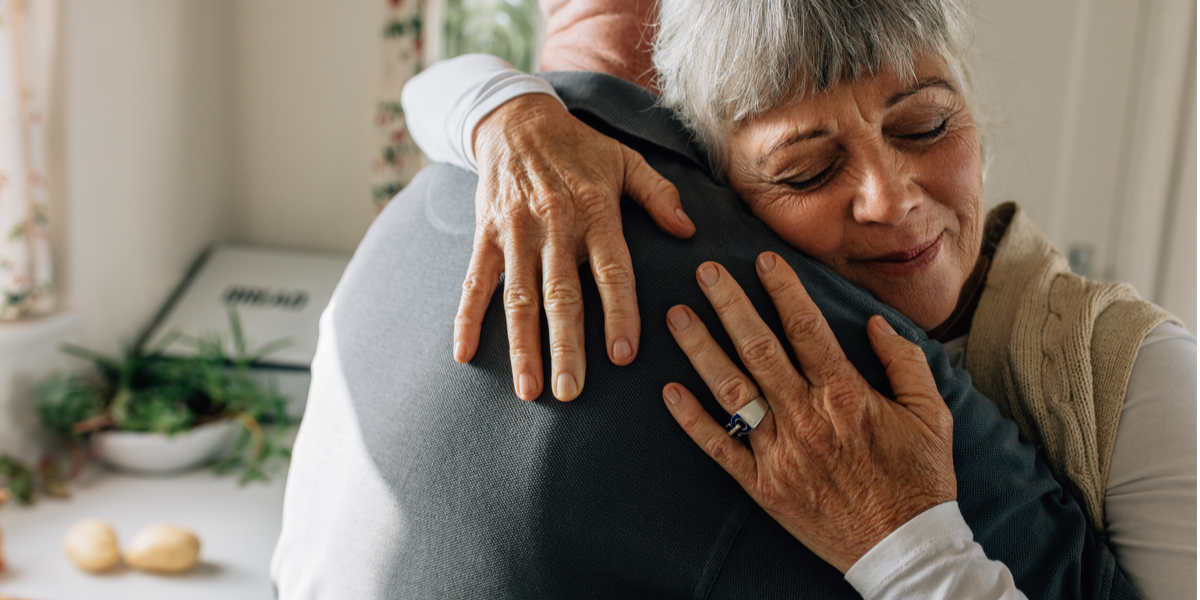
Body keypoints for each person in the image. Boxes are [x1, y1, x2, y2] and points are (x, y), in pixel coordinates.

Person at [271, 1, 1145, 598]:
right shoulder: (816, 346)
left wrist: (497, 104)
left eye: (923, 125)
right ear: (708, 146)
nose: (889, 198)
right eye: (807, 169)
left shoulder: (416, 209)